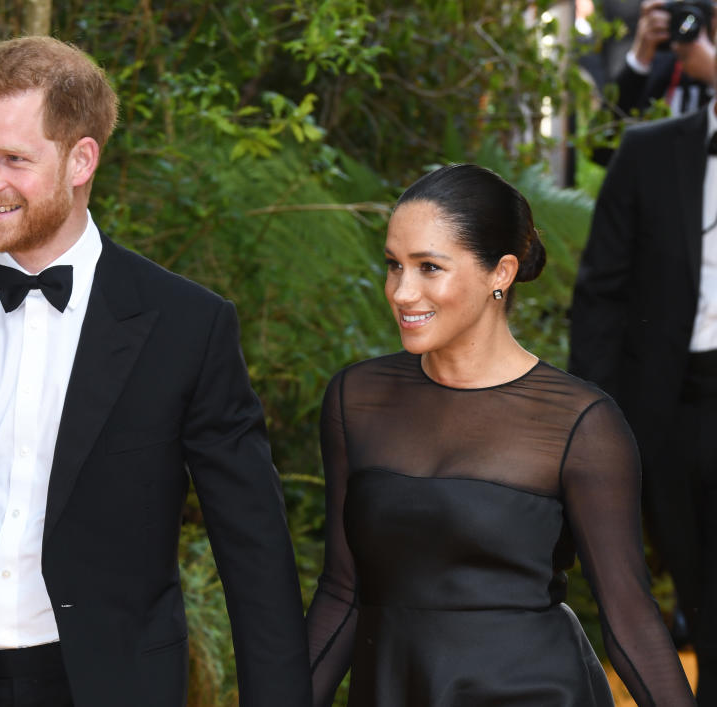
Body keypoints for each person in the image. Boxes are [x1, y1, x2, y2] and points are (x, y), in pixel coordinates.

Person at [0, 36, 311, 707]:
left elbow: (254, 555)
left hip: (113, 685)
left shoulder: (188, 326)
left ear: (82, 159)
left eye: (15, 159)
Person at [305, 164, 696, 706]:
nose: (401, 291)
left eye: (429, 267)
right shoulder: (356, 399)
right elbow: (342, 592)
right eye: (394, 265)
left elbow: (630, 619)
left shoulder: (580, 423)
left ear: (501, 273)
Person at [571, 65, 717, 702]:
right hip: (673, 406)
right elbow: (600, 295)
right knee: (699, 591)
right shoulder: (650, 151)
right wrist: (589, 426)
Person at [613, 0, 716, 119]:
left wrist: (712, 74)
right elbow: (612, 125)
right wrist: (639, 61)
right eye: (682, 8)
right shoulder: (660, 54)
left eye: (704, 9)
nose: (688, 21)